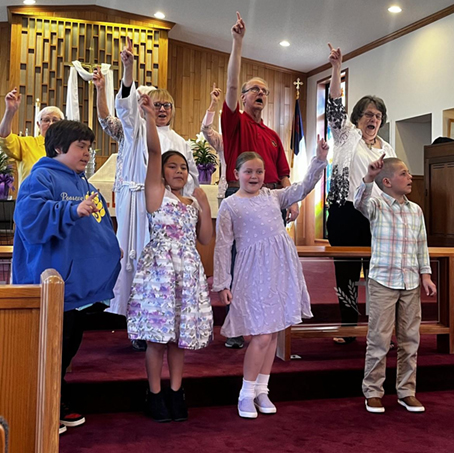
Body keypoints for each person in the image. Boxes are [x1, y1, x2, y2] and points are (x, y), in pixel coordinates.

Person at [12, 120, 121, 433]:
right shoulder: (41, 176)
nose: (87, 153)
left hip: (74, 285)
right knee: (49, 347)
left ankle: (54, 402)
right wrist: (69, 212)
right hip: (48, 280)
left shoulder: (83, 182)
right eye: (81, 147)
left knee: (68, 343)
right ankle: (44, 407)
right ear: (60, 148)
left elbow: (97, 223)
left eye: (89, 147)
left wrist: (110, 249)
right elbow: (29, 219)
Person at [213, 136, 329, 419]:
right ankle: (245, 393)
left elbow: (303, 187)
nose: (254, 176)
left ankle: (262, 390)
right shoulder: (230, 205)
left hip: (280, 267)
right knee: (262, 335)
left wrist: (319, 158)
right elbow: (223, 245)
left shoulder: (273, 196)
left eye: (259, 172)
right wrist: (222, 283)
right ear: (236, 174)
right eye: (248, 171)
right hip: (252, 271)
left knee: (274, 330)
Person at [93, 39, 199, 335]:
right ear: (146, 105)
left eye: (167, 105)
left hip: (167, 212)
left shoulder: (181, 141)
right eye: (157, 103)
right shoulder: (136, 128)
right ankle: (135, 321)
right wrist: (128, 69)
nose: (162, 109)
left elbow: (188, 178)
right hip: (138, 202)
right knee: (136, 258)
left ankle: (163, 317)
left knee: (161, 262)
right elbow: (123, 111)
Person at [127, 94, 213, 423]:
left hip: (187, 271)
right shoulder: (156, 194)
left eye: (183, 167)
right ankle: (154, 393)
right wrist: (149, 117)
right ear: (163, 172)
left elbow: (205, 239)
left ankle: (176, 391)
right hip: (160, 272)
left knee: (179, 338)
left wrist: (204, 206)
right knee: (157, 339)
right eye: (172, 166)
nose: (178, 171)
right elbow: (152, 152)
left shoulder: (192, 201)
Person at [221, 12, 298, 349]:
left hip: (270, 201)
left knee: (270, 264)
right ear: (243, 97)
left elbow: (283, 174)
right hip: (240, 197)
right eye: (255, 90)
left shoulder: (272, 135)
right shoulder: (234, 123)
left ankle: (268, 318)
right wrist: (238, 44)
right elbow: (232, 84)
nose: (261, 94)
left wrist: (290, 199)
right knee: (241, 262)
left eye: (265, 91)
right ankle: (238, 326)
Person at [326, 43, 397, 344]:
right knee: (347, 273)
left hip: (376, 216)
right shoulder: (346, 135)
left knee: (378, 274)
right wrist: (335, 69)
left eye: (378, 116)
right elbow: (334, 106)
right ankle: (348, 327)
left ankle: (380, 329)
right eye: (368, 114)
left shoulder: (388, 148)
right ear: (357, 117)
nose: (373, 119)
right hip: (345, 213)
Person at [354, 155, 436, 414]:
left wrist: (426, 275)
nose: (410, 177)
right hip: (383, 281)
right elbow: (359, 202)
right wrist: (368, 177)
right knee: (379, 338)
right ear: (387, 181)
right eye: (404, 173)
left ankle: (406, 391)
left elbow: (421, 245)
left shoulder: (416, 210)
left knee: (410, 338)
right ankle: (373, 391)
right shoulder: (377, 205)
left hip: (410, 281)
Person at [0, 88, 65, 187]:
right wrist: (10, 112)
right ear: (39, 124)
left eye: (55, 120)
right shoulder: (27, 144)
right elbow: (5, 137)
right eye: (46, 120)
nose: (51, 124)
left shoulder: (67, 148)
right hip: (31, 199)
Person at [201, 83, 228, 201]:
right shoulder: (222, 140)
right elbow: (206, 129)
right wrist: (213, 104)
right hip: (226, 191)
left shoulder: (250, 140)